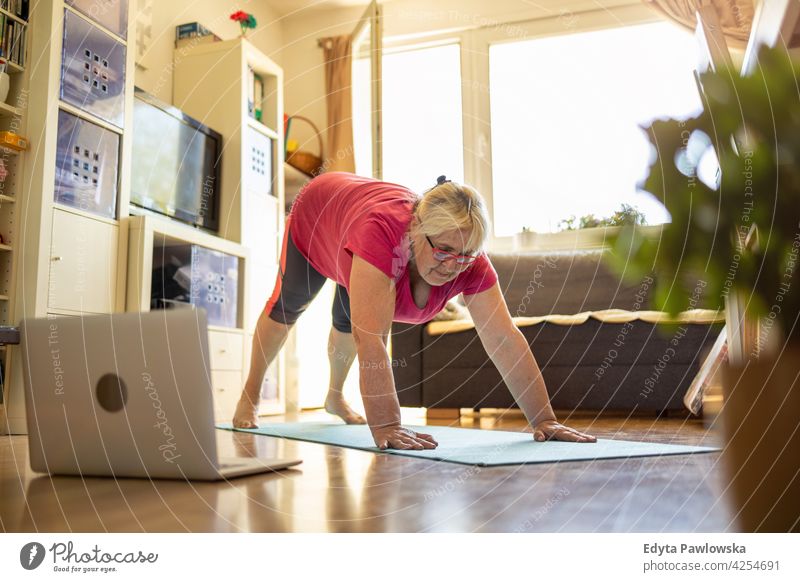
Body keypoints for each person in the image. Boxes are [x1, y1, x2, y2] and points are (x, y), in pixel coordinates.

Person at [233, 172, 596, 449]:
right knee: (290, 304)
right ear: (417, 229)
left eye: (466, 255)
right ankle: (249, 397)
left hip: (353, 223)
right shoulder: (380, 236)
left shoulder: (469, 260)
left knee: (346, 319)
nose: (454, 265)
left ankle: (335, 396)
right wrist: (388, 425)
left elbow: (503, 338)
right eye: (443, 251)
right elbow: (371, 340)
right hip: (320, 212)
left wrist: (544, 419)